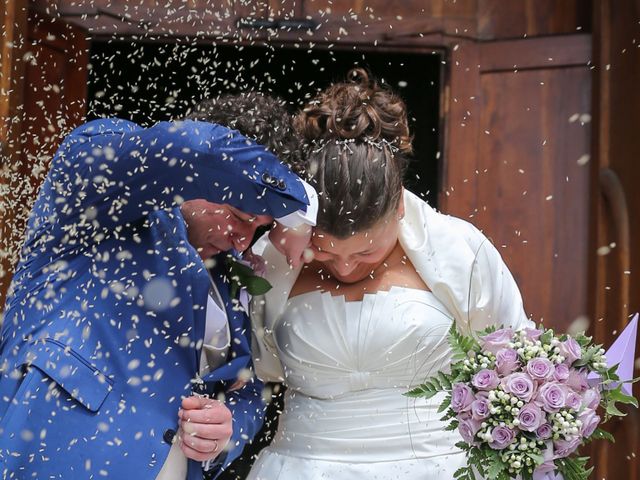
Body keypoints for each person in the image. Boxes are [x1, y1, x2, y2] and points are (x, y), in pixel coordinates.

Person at [0, 92, 317, 480]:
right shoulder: (102, 202)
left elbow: (251, 389)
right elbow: (192, 147)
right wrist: (301, 205)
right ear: (207, 178)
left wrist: (226, 428)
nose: (243, 240)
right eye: (238, 215)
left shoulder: (236, 274)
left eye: (260, 227)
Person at [248, 69, 534, 479]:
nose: (345, 267)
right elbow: (248, 369)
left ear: (398, 206)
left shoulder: (460, 251)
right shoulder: (269, 260)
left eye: (366, 251)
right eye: (326, 252)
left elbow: (515, 358)